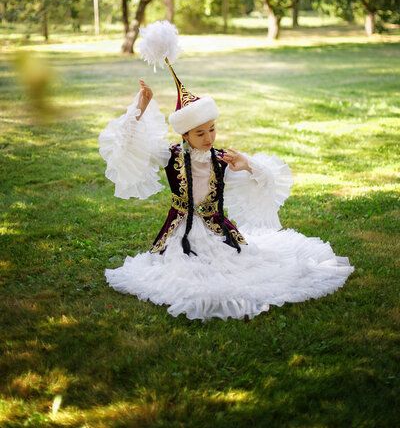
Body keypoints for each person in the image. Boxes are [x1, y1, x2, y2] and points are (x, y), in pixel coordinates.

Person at [99, 68, 354, 321]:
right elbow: (129, 143)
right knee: (182, 272)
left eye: (212, 129)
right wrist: (141, 106)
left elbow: (266, 181)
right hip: (180, 232)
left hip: (217, 231)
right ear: (185, 134)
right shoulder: (171, 155)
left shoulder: (221, 160)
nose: (209, 137)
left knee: (238, 268)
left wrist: (247, 164)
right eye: (200, 133)